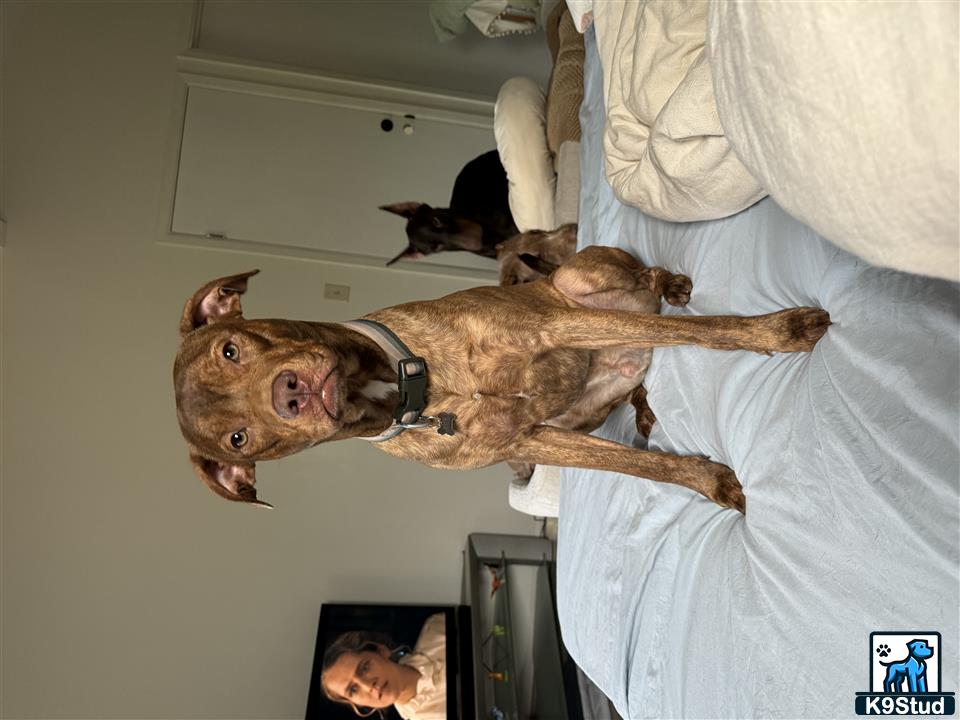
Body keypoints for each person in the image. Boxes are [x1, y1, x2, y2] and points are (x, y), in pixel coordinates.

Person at [321, 613, 446, 720]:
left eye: (364, 668)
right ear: (355, 704)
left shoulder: (437, 628)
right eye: (353, 690)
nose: (368, 686)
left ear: (381, 650)